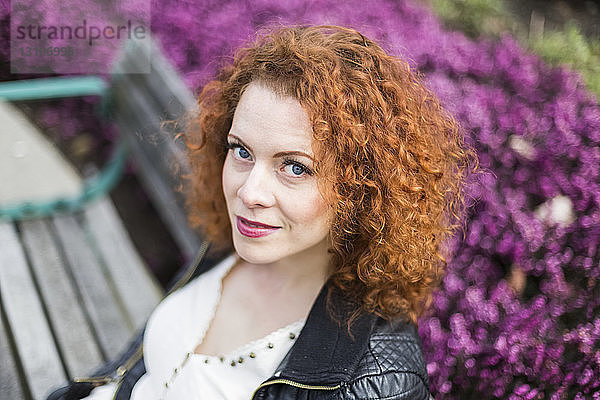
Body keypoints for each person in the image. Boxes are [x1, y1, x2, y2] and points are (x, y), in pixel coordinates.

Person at [49, 24, 475, 400]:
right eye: (242, 151)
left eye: (294, 167)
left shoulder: (377, 381)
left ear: (362, 190)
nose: (248, 192)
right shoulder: (235, 245)